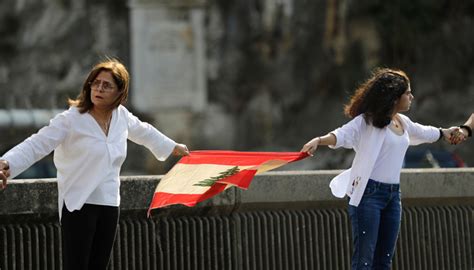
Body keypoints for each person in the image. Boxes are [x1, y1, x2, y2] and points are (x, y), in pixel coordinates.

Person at [0, 58, 189, 270]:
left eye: (106, 85)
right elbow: (36, 144)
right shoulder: (71, 119)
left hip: (109, 204)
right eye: (95, 83)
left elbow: (145, 132)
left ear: (120, 93)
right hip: (78, 202)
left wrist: (173, 146)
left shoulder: (122, 117)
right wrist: (6, 163)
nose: (98, 88)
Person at [300, 68, 456, 270]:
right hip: (368, 195)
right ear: (394, 96)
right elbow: (342, 134)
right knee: (364, 261)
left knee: (384, 262)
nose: (411, 97)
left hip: (393, 196)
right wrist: (319, 141)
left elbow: (425, 132)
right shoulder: (367, 121)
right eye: (407, 93)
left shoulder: (403, 122)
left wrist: (445, 132)